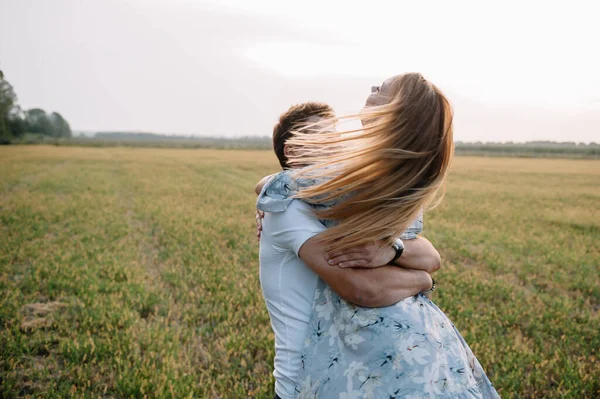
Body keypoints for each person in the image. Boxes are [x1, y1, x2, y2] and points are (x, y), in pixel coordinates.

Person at [259, 73, 500, 398]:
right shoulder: (301, 204)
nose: (336, 143)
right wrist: (422, 281)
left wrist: (393, 251)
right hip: (326, 375)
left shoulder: (365, 190)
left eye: (335, 136)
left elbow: (430, 255)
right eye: (323, 137)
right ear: (295, 150)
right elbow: (366, 287)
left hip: (394, 359)